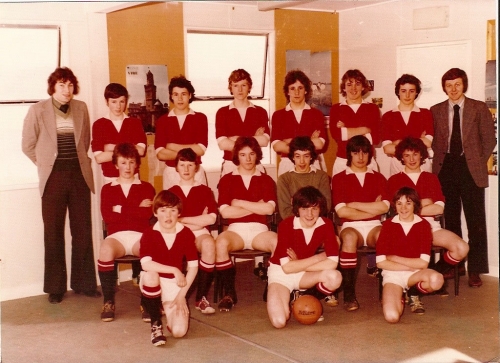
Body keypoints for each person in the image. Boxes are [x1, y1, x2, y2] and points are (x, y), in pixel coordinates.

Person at [21, 67, 100, 304]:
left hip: (78, 176)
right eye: (62, 85)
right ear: (53, 87)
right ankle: (56, 288)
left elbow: (84, 141)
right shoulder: (37, 110)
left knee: (82, 231)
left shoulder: (81, 108)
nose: (67, 90)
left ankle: (84, 283)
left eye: (70, 85)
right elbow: (28, 145)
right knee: (53, 232)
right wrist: (46, 163)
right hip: (53, 179)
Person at [430, 68, 496, 288]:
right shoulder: (435, 110)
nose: (453, 89)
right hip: (445, 167)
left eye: (457, 84)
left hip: (470, 168)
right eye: (449, 85)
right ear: (444, 87)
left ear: (464, 85)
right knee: (450, 218)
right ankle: (454, 264)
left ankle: (475, 269)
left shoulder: (478, 107)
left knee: (475, 220)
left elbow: (489, 139)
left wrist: (476, 159)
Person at [388, 137, 470, 311]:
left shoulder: (431, 178)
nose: (411, 159)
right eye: (407, 155)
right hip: (405, 229)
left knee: (461, 248)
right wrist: (425, 203)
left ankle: (420, 283)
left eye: (415, 154)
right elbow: (397, 211)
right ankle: (415, 292)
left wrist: (412, 207)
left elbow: (439, 208)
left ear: (422, 156)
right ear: (401, 157)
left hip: (431, 227)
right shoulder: (395, 180)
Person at [215, 136, 277, 312]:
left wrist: (239, 202)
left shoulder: (266, 179)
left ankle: (271, 287)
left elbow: (269, 210)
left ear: (257, 155)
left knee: (278, 242)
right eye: (243, 155)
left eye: (251, 154)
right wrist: (257, 206)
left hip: (260, 231)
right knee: (220, 243)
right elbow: (225, 212)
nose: (248, 159)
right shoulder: (227, 179)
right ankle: (229, 293)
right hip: (236, 231)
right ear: (237, 156)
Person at [267, 186, 341, 329]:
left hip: (304, 274)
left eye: (314, 208)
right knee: (279, 321)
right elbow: (287, 268)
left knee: (334, 277)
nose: (310, 214)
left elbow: (332, 263)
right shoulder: (286, 225)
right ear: (297, 209)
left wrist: (298, 263)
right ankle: (289, 299)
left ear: (320, 209)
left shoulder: (326, 224)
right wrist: (318, 258)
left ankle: (304, 296)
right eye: (304, 209)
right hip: (280, 274)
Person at [97, 143, 156, 322]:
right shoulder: (108, 188)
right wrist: (135, 208)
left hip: (140, 234)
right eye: (123, 163)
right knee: (105, 250)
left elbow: (146, 214)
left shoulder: (146, 187)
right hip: (117, 236)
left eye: (131, 162)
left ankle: (147, 301)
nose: (128, 167)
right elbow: (108, 217)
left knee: (150, 252)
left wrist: (119, 208)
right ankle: (108, 301)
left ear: (137, 164)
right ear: (116, 164)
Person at [331, 135, 389, 311]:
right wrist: (372, 208)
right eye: (356, 153)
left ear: (369, 155)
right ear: (349, 154)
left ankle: (384, 292)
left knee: (383, 236)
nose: (361, 157)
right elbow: (342, 211)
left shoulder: (378, 177)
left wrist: (355, 205)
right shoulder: (340, 177)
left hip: (374, 226)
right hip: (350, 227)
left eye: (364, 152)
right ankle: (349, 295)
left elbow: (384, 207)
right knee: (348, 238)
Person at [376, 187, 444, 323]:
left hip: (415, 274)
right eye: (399, 203)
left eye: (408, 203)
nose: (403, 208)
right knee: (392, 317)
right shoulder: (388, 225)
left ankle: (413, 291)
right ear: (394, 205)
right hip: (392, 275)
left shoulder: (424, 225)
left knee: (437, 280)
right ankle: (399, 296)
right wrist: (409, 266)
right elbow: (381, 262)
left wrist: (394, 258)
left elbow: (423, 263)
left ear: (415, 205)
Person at [139, 190, 199, 346]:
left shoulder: (186, 233)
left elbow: (193, 266)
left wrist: (181, 296)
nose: (168, 216)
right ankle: (156, 323)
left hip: (174, 286)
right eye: (163, 210)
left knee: (179, 332)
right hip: (154, 280)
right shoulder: (149, 233)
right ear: (155, 213)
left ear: (179, 213)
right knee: (151, 275)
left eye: (173, 210)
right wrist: (174, 270)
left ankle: (162, 305)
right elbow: (146, 264)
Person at [168, 148, 218, 314]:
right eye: (182, 165)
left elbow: (211, 218)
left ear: (196, 168)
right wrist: (198, 220)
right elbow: (169, 222)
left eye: (190, 165)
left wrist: (183, 220)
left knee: (210, 245)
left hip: (199, 233)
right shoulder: (171, 193)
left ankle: (201, 298)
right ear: (176, 167)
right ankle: (169, 296)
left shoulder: (204, 190)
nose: (186, 169)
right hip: (177, 233)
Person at [155, 75, 208, 189]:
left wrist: (172, 146)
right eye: (176, 94)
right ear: (171, 96)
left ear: (189, 96)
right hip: (171, 172)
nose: (180, 98)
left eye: (183, 94)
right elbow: (160, 153)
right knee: (172, 206)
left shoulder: (200, 118)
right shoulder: (162, 121)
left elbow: (201, 149)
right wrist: (189, 152)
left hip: (195, 170)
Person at [271, 70, 327, 176]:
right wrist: (309, 140)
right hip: (287, 164)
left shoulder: (316, 114)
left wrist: (288, 141)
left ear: (306, 90)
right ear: (287, 91)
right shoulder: (278, 115)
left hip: (312, 164)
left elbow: (320, 144)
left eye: (300, 88)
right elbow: (276, 146)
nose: (296, 92)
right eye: (292, 88)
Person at [215, 69, 270, 176]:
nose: (240, 89)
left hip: (254, 164)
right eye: (235, 85)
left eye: (243, 85)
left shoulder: (260, 112)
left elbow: (264, 141)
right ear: (230, 87)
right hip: (231, 165)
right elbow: (222, 143)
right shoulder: (222, 112)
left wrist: (234, 138)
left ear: (249, 87)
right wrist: (253, 139)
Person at [91, 83, 147, 185]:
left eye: (122, 101)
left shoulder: (135, 123)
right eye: (114, 101)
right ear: (106, 102)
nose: (118, 106)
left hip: (133, 177)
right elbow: (99, 158)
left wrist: (111, 147)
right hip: (110, 179)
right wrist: (129, 149)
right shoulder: (99, 125)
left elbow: (141, 151)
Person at [329, 69, 380, 176]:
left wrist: (346, 130)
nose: (353, 88)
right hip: (343, 161)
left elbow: (375, 138)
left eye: (357, 84)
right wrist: (365, 130)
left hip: (368, 161)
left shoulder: (372, 108)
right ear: (344, 87)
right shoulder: (336, 109)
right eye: (349, 84)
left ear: (363, 87)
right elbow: (336, 135)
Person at [381, 74, 434, 176]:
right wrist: (418, 140)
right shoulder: (388, 116)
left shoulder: (425, 114)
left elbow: (428, 143)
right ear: (398, 92)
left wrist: (397, 142)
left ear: (417, 92)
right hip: (398, 164)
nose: (407, 95)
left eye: (412, 91)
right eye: (403, 91)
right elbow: (387, 149)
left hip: (422, 164)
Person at [277, 136, 331, 220]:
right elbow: (285, 212)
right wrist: (314, 205)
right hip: (294, 224)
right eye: (298, 156)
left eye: (306, 156)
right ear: (293, 157)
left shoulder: (321, 176)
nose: (302, 161)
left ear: (311, 157)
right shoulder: (284, 179)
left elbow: (326, 207)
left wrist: (297, 205)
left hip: (316, 222)